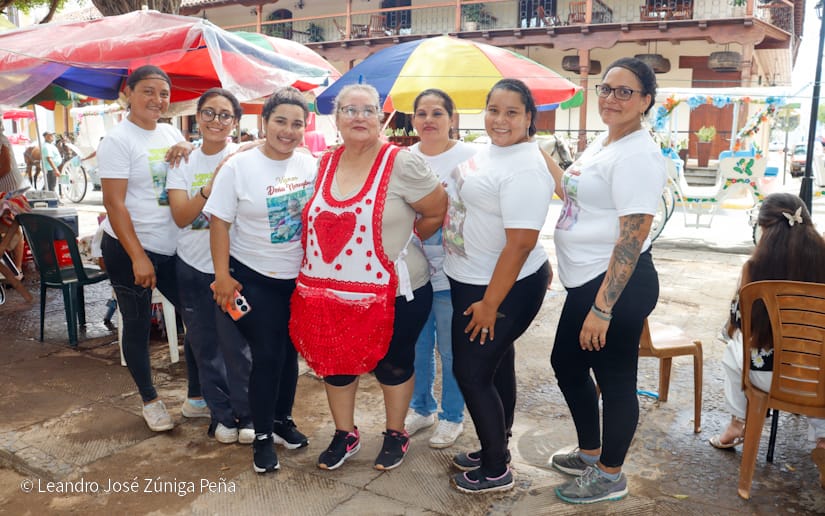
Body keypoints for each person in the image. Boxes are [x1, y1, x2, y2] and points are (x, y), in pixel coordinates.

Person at [289, 83, 447, 472]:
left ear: (381, 118)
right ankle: (345, 433)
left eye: (367, 110)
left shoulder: (401, 163)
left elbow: (436, 209)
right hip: (331, 293)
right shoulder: (323, 162)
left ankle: (395, 433)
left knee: (394, 364)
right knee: (336, 364)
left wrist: (403, 242)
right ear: (336, 118)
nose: (358, 117)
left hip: (396, 291)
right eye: (349, 110)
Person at [547, 57, 666, 505]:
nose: (612, 98)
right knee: (567, 364)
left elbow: (631, 239)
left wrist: (602, 308)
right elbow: (573, 192)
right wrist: (535, 153)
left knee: (615, 379)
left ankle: (611, 474)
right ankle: (590, 453)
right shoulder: (606, 141)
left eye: (625, 91)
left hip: (617, 286)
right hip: (588, 280)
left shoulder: (638, 155)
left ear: (645, 100)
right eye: (607, 88)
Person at [443, 78, 552, 494]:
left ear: (529, 118)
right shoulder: (492, 151)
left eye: (511, 112)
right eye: (493, 110)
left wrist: (490, 303)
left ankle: (495, 470)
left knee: (471, 373)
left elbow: (521, 242)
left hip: (500, 289)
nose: (500, 120)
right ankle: (496, 445)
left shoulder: (525, 167)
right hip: (472, 278)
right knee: (496, 363)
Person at [204, 87, 317, 474]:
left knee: (288, 354)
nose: (288, 130)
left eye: (297, 124)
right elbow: (219, 223)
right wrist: (222, 276)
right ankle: (262, 436)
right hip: (252, 279)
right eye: (280, 121)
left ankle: (282, 421)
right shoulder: (238, 167)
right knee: (267, 355)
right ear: (264, 122)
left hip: (297, 281)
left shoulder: (309, 165)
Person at [98, 65, 196, 433]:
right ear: (129, 94)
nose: (157, 99)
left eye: (164, 93)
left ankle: (197, 397)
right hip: (129, 248)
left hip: (172, 246)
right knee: (137, 324)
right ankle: (150, 400)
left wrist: (189, 146)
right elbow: (114, 203)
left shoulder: (170, 131)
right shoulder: (117, 140)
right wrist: (138, 256)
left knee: (196, 318)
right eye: (148, 91)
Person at [709, 193, 825, 488]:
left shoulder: (754, 267)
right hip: (818, 374)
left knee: (733, 348)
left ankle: (738, 423)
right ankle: (823, 438)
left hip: (769, 375)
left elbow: (737, 324)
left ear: (763, 228)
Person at [166, 88, 246, 444]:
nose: (216, 120)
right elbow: (181, 216)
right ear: (197, 117)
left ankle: (246, 413)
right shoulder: (182, 161)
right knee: (205, 345)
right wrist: (210, 188)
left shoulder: (244, 157)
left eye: (225, 115)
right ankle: (222, 416)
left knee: (240, 346)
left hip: (235, 268)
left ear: (235, 122)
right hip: (193, 269)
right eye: (209, 113)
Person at [404, 88, 475, 449]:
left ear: (451, 118)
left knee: (450, 349)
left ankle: (452, 416)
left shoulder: (471, 157)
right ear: (413, 119)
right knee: (417, 345)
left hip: (454, 272)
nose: (429, 120)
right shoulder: (403, 159)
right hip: (413, 273)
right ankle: (421, 408)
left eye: (437, 113)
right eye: (422, 113)